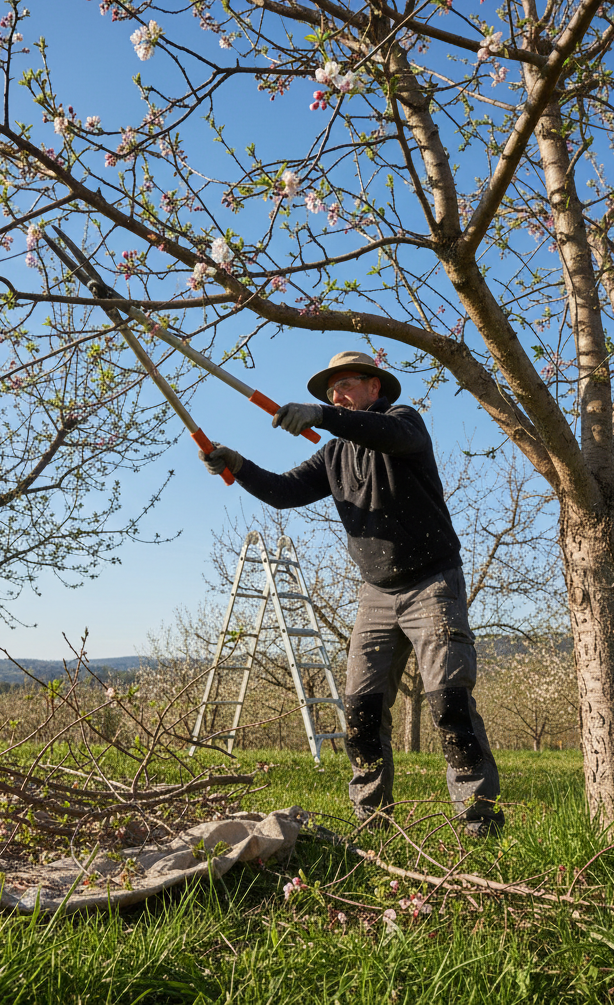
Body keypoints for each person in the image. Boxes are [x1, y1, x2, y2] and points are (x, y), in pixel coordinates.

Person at [201, 350, 503, 836]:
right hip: (377, 594)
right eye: (329, 392)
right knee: (361, 712)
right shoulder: (334, 454)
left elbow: (386, 435)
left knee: (450, 703)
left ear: (374, 387)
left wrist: (322, 415)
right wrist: (239, 463)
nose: (336, 395)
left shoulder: (404, 423)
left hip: (432, 582)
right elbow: (285, 491)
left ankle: (478, 822)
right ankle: (372, 822)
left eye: (345, 386)